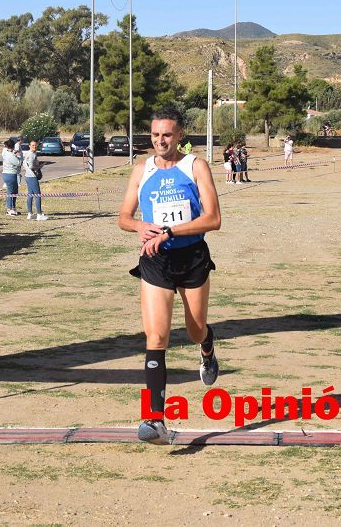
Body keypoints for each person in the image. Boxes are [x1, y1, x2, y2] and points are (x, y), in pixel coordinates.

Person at [118, 107, 222, 445]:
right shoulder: (141, 170)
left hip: (191, 258)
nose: (160, 141)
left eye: (167, 135)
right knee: (156, 337)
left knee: (194, 330)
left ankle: (207, 347)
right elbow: (123, 216)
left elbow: (213, 219)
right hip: (155, 261)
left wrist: (169, 231)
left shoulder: (195, 166)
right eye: (155, 135)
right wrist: (139, 226)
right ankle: (154, 419)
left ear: (180, 136)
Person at [22, 140, 47, 220]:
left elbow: (25, 164)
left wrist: (40, 165)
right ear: (29, 146)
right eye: (33, 145)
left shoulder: (28, 153)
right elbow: (31, 166)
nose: (34, 147)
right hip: (32, 176)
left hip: (27, 176)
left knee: (30, 194)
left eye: (35, 145)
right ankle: (39, 214)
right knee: (37, 195)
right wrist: (38, 167)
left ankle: (30, 214)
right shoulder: (32, 154)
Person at [2, 139, 23, 216]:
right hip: (10, 174)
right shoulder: (10, 155)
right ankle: (9, 209)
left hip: (7, 174)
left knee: (14, 191)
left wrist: (14, 154)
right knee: (10, 192)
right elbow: (19, 163)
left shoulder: (7, 153)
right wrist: (19, 156)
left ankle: (13, 208)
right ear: (13, 146)